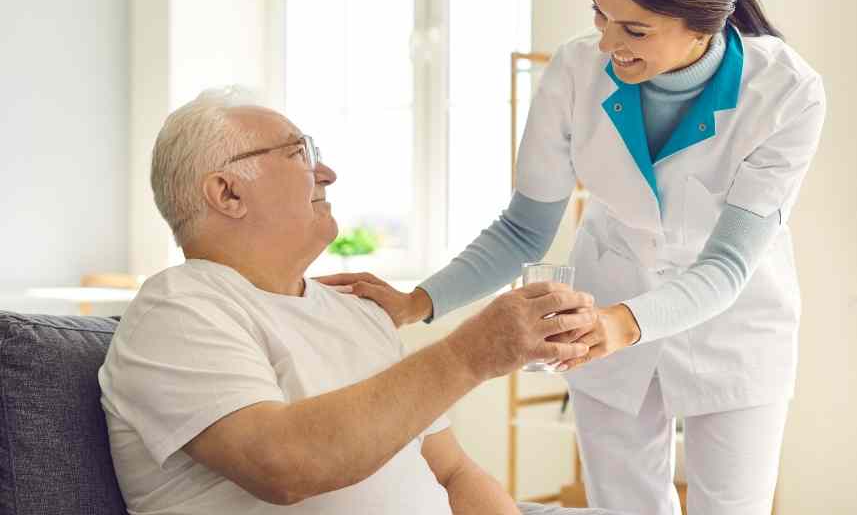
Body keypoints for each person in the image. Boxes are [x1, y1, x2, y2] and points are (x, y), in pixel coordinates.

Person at [318, 0, 827, 515]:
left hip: (733, 325)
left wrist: (622, 323)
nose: (607, 43)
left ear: (702, 24)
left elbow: (724, 268)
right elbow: (522, 231)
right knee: (625, 508)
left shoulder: (785, 93)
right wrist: (415, 303)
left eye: (634, 29)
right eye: (600, 14)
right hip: (603, 309)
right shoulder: (575, 71)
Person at [98, 90, 611, 515]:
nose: (327, 173)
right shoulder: (178, 310)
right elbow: (283, 464)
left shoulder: (358, 311)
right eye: (299, 153)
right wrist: (471, 352)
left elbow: (454, 475)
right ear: (228, 193)